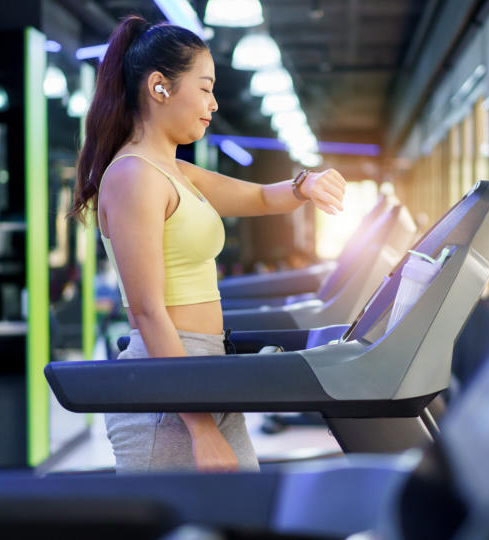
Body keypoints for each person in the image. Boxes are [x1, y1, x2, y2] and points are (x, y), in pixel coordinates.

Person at [68, 15, 348, 473]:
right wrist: (199, 426)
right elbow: (147, 311)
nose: (214, 103)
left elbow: (259, 195)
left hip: (202, 372)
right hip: (171, 391)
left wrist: (306, 184)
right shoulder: (133, 176)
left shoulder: (174, 171)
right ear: (159, 87)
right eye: (204, 87)